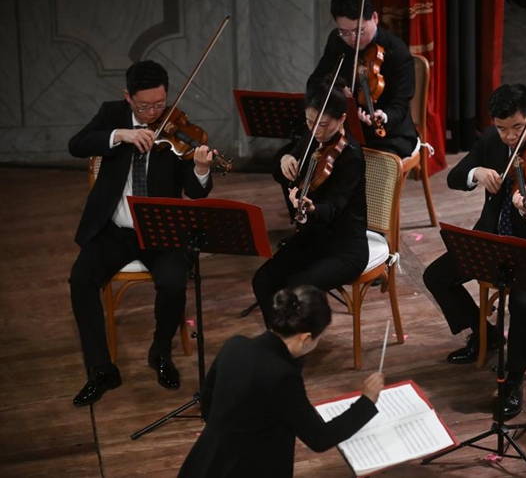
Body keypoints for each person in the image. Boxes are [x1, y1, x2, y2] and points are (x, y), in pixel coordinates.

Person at [422, 83, 526, 420]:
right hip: (492, 239)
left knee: (522, 304)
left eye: (517, 127)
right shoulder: (493, 140)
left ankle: (513, 379)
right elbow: (454, 177)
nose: (509, 136)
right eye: (502, 127)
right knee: (435, 275)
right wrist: (476, 173)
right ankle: (485, 335)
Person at [68, 60, 214, 406]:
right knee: (80, 281)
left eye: (160, 104)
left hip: (161, 230)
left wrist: (201, 169)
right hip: (114, 229)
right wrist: (121, 135)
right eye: (145, 106)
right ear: (128, 98)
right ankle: (101, 368)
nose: (153, 112)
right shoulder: (111, 114)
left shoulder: (178, 127)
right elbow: (76, 145)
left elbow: (195, 191)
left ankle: (160, 352)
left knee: (174, 284)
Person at [178, 285, 384, 478]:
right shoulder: (282, 377)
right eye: (319, 337)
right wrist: (367, 401)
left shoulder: (235, 345)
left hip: (205, 461)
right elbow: (320, 438)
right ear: (305, 338)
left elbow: (207, 403)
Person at [253, 77, 368, 326]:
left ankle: (293, 346)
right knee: (263, 279)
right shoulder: (310, 138)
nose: (316, 130)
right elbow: (280, 173)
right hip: (313, 238)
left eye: (324, 125)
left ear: (341, 120)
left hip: (345, 248)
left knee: (296, 290)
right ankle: (280, 340)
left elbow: (334, 207)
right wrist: (284, 159)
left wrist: (312, 208)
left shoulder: (351, 158)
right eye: (310, 121)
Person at [307, 0, 418, 158]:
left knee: (369, 165)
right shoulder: (337, 41)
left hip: (387, 134)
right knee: (306, 151)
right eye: (344, 32)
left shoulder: (397, 52)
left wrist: (383, 116)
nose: (352, 39)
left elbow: (400, 104)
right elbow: (315, 81)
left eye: (359, 31)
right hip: (345, 127)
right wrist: (337, 91)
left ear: (374, 18)